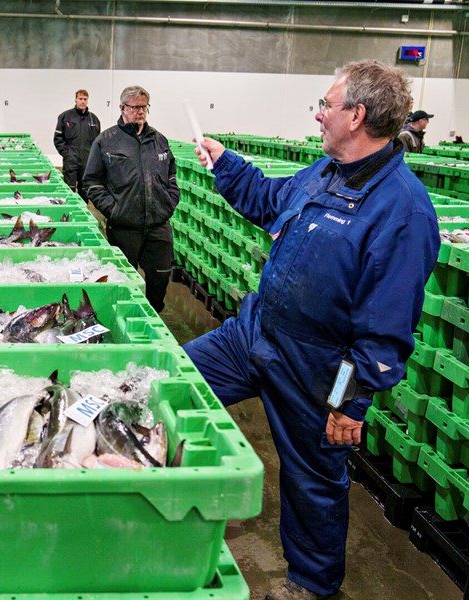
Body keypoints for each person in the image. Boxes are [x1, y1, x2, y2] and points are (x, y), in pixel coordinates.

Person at [183, 60, 440, 600]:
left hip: (317, 368)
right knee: (174, 379)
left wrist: (350, 402)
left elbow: (386, 332)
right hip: (255, 333)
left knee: (313, 483)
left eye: (326, 105)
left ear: (358, 115)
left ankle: (311, 585)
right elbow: (268, 200)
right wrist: (226, 163)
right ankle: (168, 502)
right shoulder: (323, 173)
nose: (319, 115)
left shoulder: (403, 211)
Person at [82, 85, 179, 313]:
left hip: (158, 225)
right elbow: (92, 182)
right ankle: (125, 320)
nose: (141, 112)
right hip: (124, 228)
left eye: (144, 107)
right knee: (123, 282)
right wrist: (114, 210)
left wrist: (170, 200)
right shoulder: (106, 141)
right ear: (122, 108)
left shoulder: (159, 140)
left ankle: (153, 317)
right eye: (135, 107)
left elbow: (171, 175)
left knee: (161, 278)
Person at [54, 89, 101, 200]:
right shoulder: (65, 117)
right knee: (69, 190)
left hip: (86, 161)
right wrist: (67, 154)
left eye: (85, 99)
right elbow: (57, 138)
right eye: (80, 99)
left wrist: (93, 158)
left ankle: (82, 214)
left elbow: (97, 142)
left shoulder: (94, 120)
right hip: (71, 160)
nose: (82, 101)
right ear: (75, 99)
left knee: (85, 191)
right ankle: (69, 213)